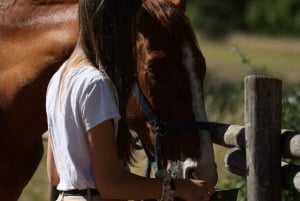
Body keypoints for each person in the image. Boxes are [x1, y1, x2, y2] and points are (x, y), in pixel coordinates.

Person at [46, 0, 214, 201]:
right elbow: (110, 186)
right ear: (114, 26)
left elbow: (54, 175)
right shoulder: (96, 85)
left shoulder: (58, 79)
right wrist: (179, 187)